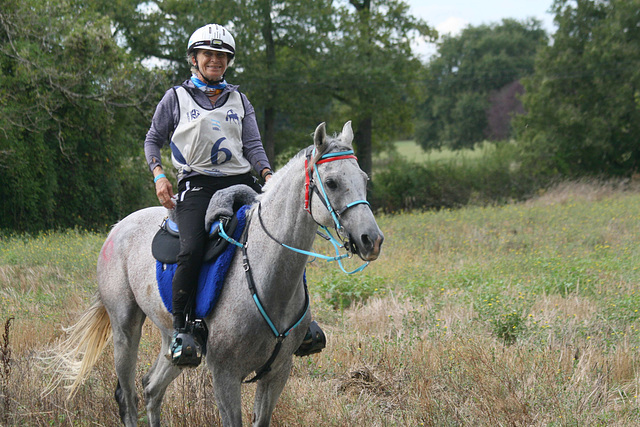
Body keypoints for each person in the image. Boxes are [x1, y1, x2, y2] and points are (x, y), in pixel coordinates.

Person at [144, 24, 273, 365]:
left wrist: (268, 177)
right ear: (194, 59)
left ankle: (297, 320)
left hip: (241, 179)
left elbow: (253, 146)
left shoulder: (239, 99)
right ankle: (182, 328)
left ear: (228, 61)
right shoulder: (176, 97)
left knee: (281, 230)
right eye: (208, 54)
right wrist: (159, 175)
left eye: (221, 55)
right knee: (191, 247)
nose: (215, 60)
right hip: (197, 183)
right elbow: (153, 139)